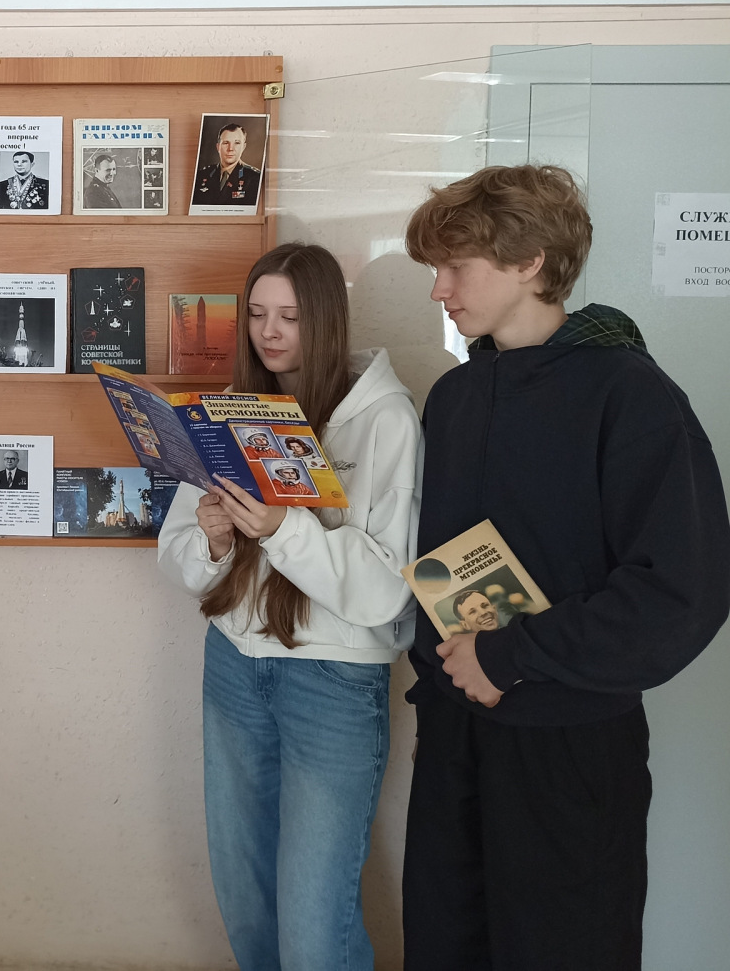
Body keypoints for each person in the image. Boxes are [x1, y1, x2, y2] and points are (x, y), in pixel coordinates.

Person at [400, 163, 728, 971]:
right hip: (454, 738)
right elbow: (439, 567)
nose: (439, 289)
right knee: (444, 945)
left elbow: (680, 593)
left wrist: (510, 655)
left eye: (456, 266)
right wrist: (444, 682)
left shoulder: (632, 394)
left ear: (529, 260)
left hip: (568, 748)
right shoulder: (454, 397)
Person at [158, 241, 421, 971]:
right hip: (234, 666)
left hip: (332, 680)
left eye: (291, 317)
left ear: (327, 319)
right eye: (256, 314)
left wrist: (283, 530)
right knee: (246, 902)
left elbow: (386, 590)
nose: (269, 332)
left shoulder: (386, 419)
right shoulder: (229, 409)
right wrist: (214, 541)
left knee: (313, 924)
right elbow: (177, 557)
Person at [192, 122, 262, 206]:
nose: (230, 149)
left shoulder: (255, 178)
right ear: (218, 147)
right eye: (225, 143)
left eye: (237, 143)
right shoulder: (201, 175)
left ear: (243, 147)